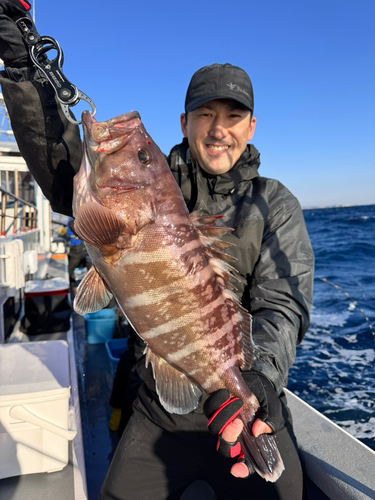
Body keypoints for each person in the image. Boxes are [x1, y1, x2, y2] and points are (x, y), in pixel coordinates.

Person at [0, 2, 315, 499]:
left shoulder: (275, 203)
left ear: (251, 127)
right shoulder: (151, 186)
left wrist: (255, 381)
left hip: (245, 393)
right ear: (185, 121)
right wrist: (21, 65)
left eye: (233, 117)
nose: (218, 129)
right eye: (206, 115)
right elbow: (62, 167)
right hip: (159, 408)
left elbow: (284, 303)